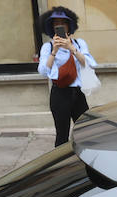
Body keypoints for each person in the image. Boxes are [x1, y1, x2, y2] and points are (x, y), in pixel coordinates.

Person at [37, 7, 97, 147]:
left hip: (78, 93)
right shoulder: (47, 47)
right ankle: (61, 166)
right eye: (56, 23)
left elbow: (89, 64)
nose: (60, 26)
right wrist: (54, 51)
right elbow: (43, 71)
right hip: (60, 94)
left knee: (87, 131)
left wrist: (72, 49)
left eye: (63, 22)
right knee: (62, 135)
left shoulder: (79, 44)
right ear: (52, 27)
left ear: (69, 25)